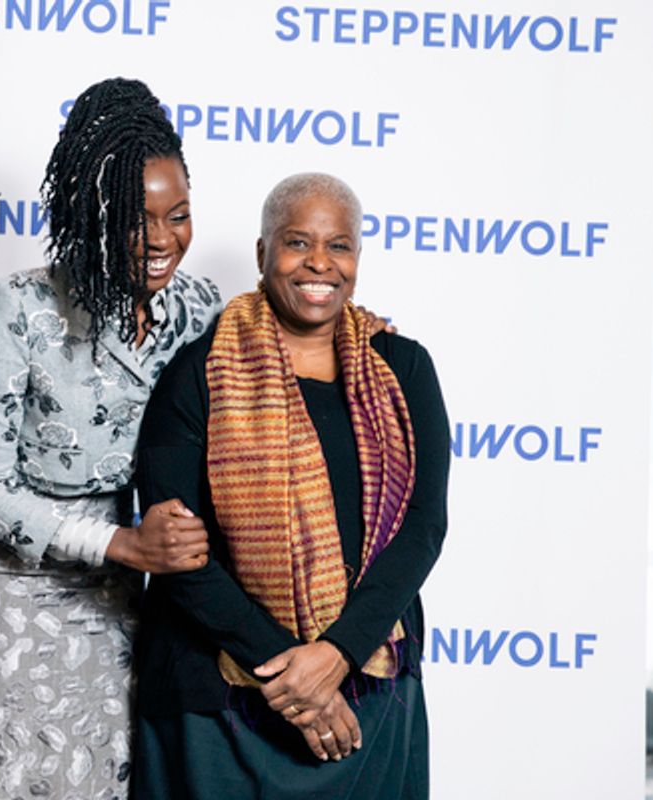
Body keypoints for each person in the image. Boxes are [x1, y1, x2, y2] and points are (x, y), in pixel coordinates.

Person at [0, 77, 218, 800]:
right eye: (135, 219)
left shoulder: (202, 309)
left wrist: (361, 333)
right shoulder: (19, 306)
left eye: (178, 215)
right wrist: (123, 544)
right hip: (8, 593)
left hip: (117, 600)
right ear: (91, 216)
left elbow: (285, 348)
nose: (162, 240)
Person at [132, 173, 450, 799]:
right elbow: (179, 556)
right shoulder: (196, 374)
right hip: (217, 701)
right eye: (298, 242)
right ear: (262, 253)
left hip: (368, 687)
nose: (319, 264)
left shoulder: (403, 367)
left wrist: (337, 655)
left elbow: (423, 527)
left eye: (339, 246)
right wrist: (298, 679)